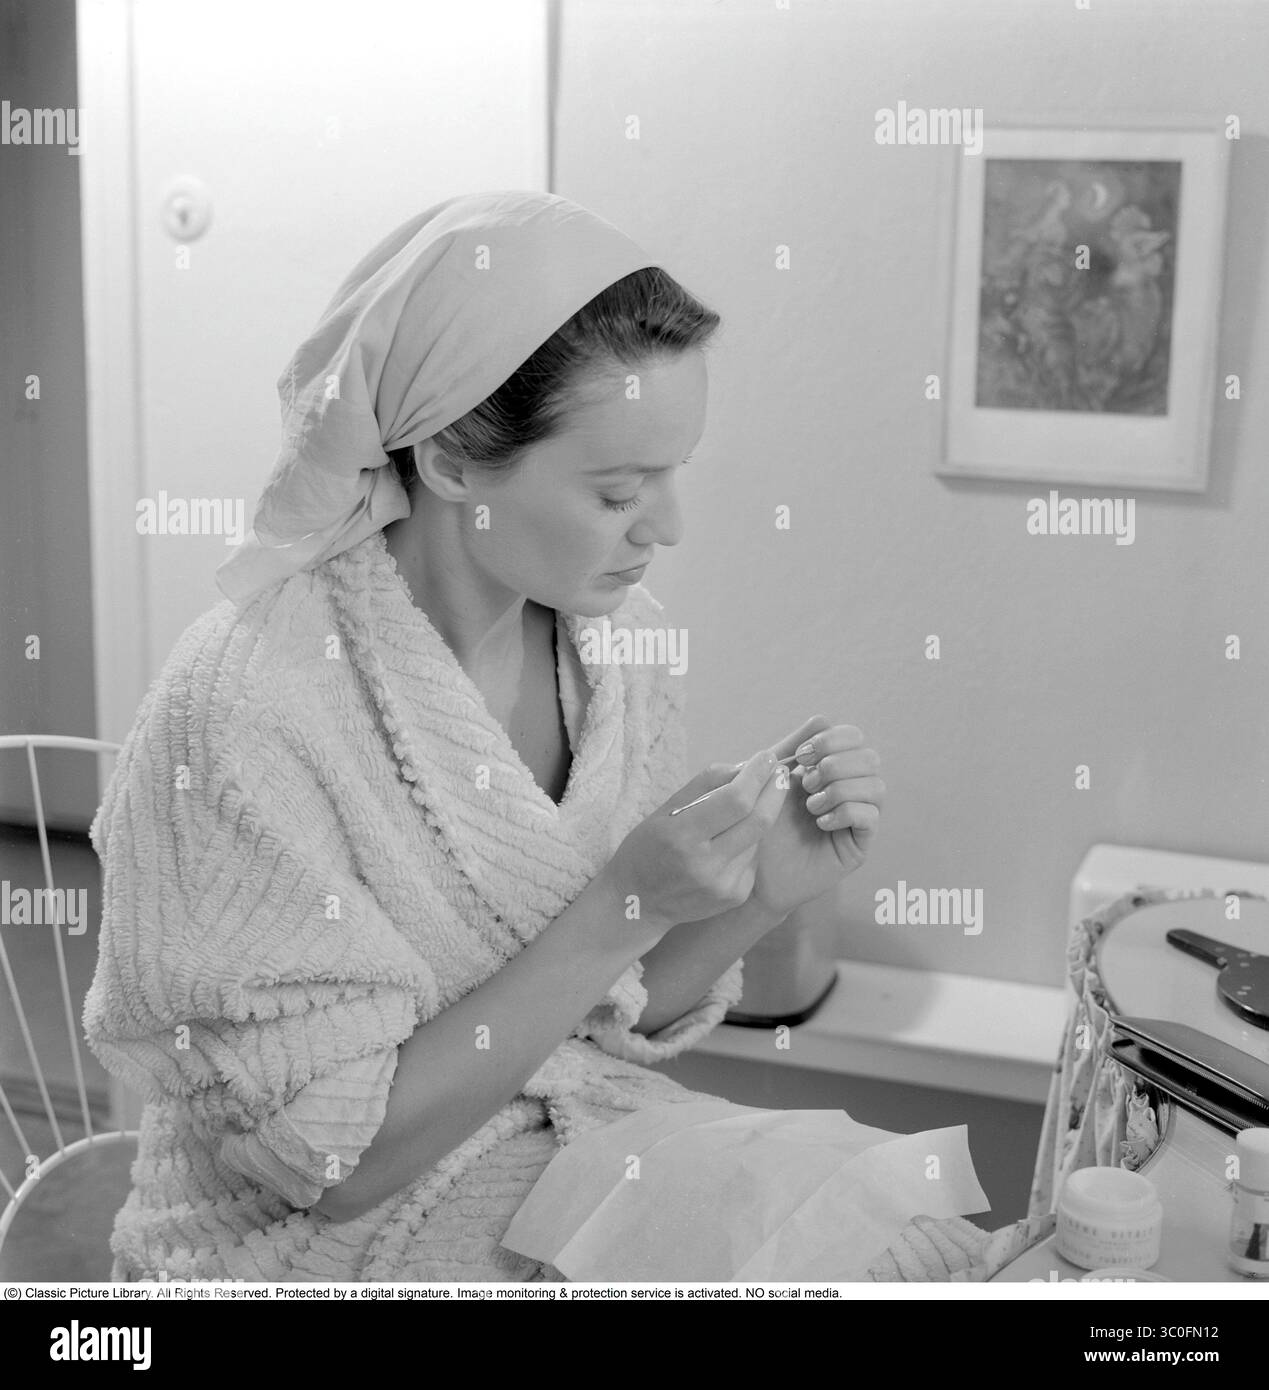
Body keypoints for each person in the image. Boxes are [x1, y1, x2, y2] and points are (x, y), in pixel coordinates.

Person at [83, 190, 985, 1282]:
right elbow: (325, 1164)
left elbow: (603, 1013)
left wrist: (763, 890)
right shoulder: (244, 709)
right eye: (618, 490)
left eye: (672, 475)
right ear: (455, 463)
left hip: (563, 1144)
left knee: (924, 1252)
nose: (665, 527)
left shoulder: (617, 652)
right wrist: (625, 902)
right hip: (302, 1241)